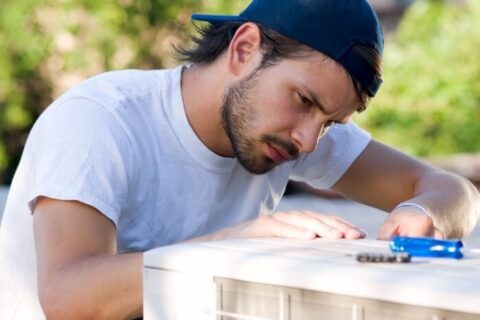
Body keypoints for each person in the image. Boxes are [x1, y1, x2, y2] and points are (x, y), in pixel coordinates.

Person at [0, 0, 479, 319]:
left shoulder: (290, 130)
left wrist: (421, 212)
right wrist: (232, 246)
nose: (310, 140)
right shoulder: (101, 119)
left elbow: (455, 193)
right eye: (305, 101)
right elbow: (67, 299)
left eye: (332, 122)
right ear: (245, 48)